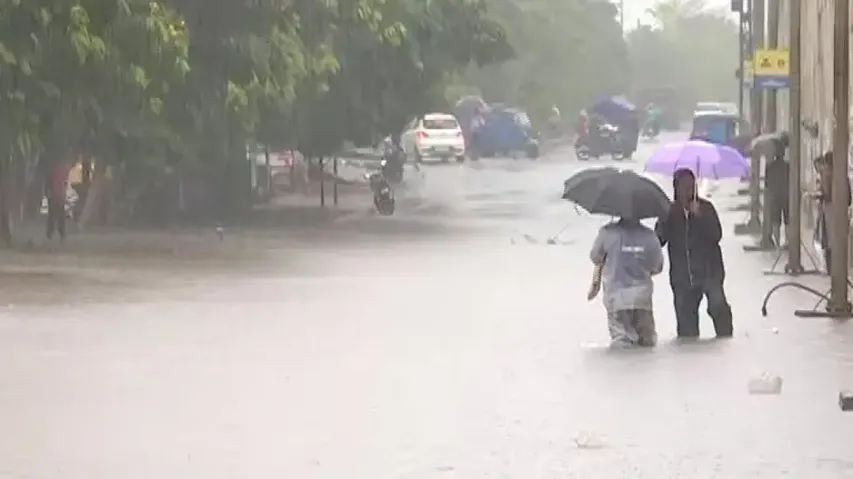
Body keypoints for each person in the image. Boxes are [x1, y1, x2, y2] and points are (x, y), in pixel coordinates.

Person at [655, 168, 733, 338]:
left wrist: (700, 216)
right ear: (676, 189)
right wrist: (665, 220)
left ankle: (726, 340)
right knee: (686, 325)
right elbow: (658, 241)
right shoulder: (669, 212)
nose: (688, 192)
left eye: (691, 187)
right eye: (684, 187)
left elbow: (716, 235)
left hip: (709, 271)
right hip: (682, 277)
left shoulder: (706, 208)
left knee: (718, 307)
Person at [589, 217, 664, 347]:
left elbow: (595, 257)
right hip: (642, 298)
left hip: (616, 298)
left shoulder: (607, 232)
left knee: (622, 341)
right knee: (647, 342)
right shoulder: (650, 236)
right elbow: (657, 267)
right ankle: (649, 367)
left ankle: (623, 366)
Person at [812, 151, 852, 275]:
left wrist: (815, 195)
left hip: (829, 209)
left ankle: (831, 269)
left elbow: (826, 194)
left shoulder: (826, 174)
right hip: (842, 209)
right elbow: (849, 197)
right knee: (841, 238)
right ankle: (842, 266)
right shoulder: (843, 175)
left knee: (828, 238)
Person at [765, 133, 790, 246]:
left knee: (776, 221)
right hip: (786, 195)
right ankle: (787, 242)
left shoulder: (769, 167)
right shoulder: (788, 166)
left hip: (775, 196)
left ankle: (778, 244)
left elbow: (767, 184)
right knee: (787, 220)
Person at [45, 160, 71, 241]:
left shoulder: (55, 170)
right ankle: (57, 234)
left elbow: (61, 184)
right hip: (56, 194)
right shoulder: (59, 170)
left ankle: (52, 234)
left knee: (54, 215)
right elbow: (59, 184)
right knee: (57, 215)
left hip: (55, 194)